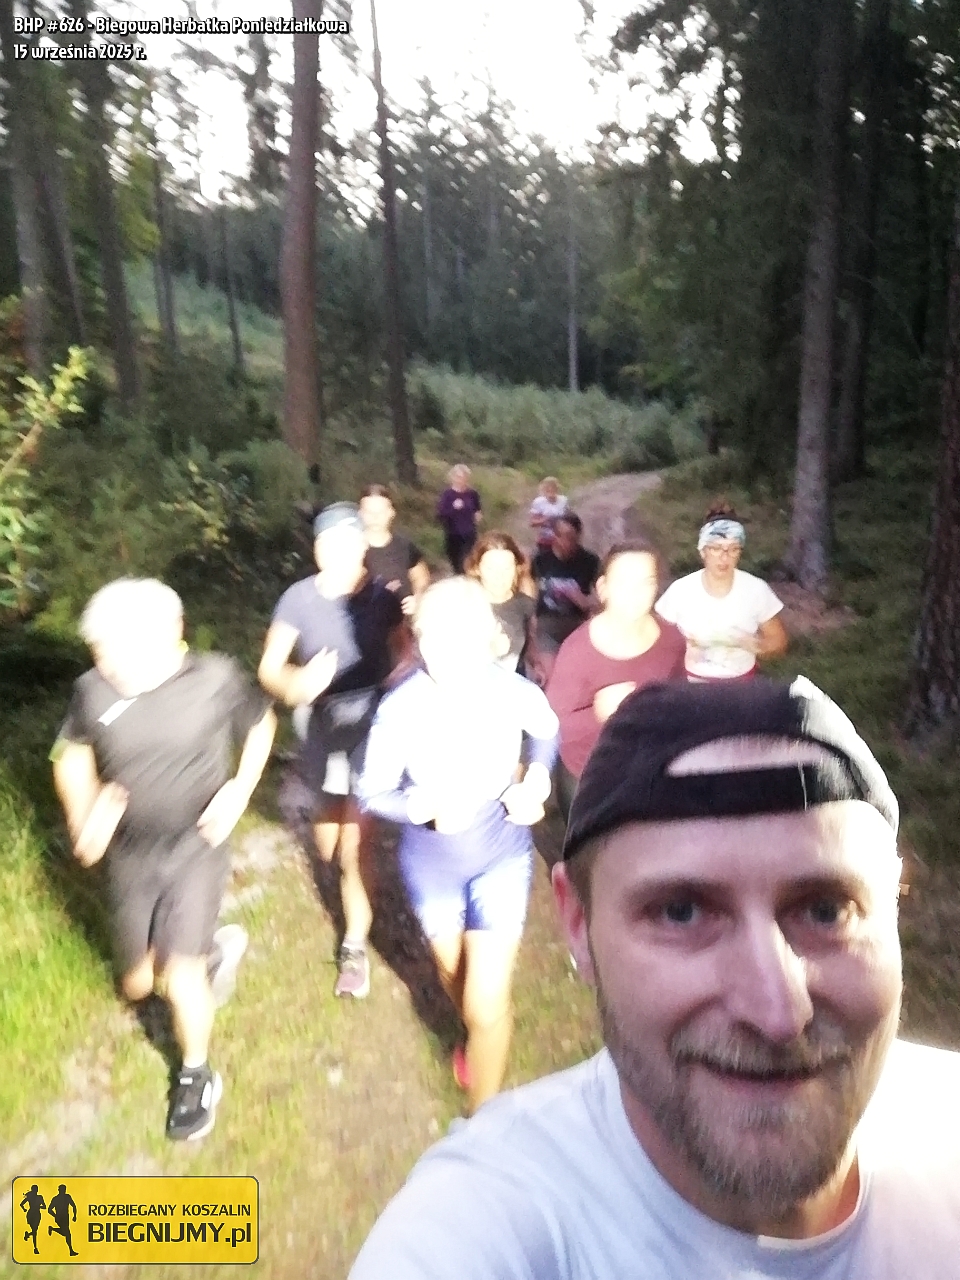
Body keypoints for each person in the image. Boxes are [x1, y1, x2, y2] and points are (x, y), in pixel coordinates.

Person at [349, 676, 960, 1279]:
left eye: (827, 910)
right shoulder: (483, 1221)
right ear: (578, 923)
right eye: (681, 912)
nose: (777, 1012)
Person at [51, 579, 276, 1142]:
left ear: (172, 633)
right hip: (130, 855)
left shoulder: (215, 679)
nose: (109, 665)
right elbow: (69, 753)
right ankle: (211, 953)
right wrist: (83, 816)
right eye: (100, 652)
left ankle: (196, 1075)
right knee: (136, 983)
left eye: (121, 649)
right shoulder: (91, 691)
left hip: (195, 845)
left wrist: (240, 789)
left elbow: (262, 724)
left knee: (179, 974)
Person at [357, 578, 559, 1114]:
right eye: (432, 637)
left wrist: (538, 778)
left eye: (460, 637)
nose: (446, 652)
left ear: (486, 636)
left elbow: (545, 729)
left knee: (485, 1004)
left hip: (500, 855)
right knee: (458, 982)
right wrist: (422, 808)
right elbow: (372, 791)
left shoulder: (511, 689)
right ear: (418, 638)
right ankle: (478, 1036)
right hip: (431, 868)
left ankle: (484, 1122)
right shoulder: (400, 708)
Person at [259, 502, 405, 1000]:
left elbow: (403, 644)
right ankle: (347, 871)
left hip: (372, 725)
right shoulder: (297, 600)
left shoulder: (382, 596)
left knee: (352, 850)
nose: (337, 554)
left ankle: (354, 947)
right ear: (317, 549)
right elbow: (269, 667)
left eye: (347, 544)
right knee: (327, 842)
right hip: (321, 722)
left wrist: (398, 676)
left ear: (363, 546)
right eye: (327, 545)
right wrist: (295, 682)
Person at [546, 538, 687, 826]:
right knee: (587, 847)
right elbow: (551, 724)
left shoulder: (672, 639)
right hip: (588, 775)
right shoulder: (577, 652)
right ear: (603, 588)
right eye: (623, 582)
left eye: (645, 583)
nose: (634, 594)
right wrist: (598, 715)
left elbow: (678, 693)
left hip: (645, 767)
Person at [655, 502, 789, 681]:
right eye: (716, 548)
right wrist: (680, 646)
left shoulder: (756, 589)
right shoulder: (680, 591)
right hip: (691, 685)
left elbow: (779, 641)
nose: (724, 557)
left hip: (742, 684)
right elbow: (655, 640)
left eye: (733, 549)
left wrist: (759, 646)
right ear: (702, 551)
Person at [530, 513, 600, 684]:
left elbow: (603, 601)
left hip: (577, 626)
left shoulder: (590, 561)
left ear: (579, 537)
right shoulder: (540, 560)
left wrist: (584, 601)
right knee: (550, 679)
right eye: (560, 535)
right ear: (553, 535)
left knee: (576, 679)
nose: (565, 542)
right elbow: (529, 594)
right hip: (547, 625)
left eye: (571, 538)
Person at [464, 530, 537, 675]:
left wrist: (537, 664)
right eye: (491, 568)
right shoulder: (462, 606)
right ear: (477, 568)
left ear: (517, 568)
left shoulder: (524, 604)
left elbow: (530, 640)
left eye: (507, 568)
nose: (499, 576)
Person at [359, 482, 431, 617]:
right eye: (369, 512)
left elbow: (421, 577)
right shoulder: (350, 551)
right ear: (360, 513)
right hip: (363, 624)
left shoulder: (405, 546)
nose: (375, 517)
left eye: (381, 512)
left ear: (391, 513)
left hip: (402, 622)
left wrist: (418, 597)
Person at [436, 463, 482, 574]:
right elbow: (440, 515)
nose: (461, 480)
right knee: (456, 563)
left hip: (469, 533)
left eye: (463, 477)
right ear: (452, 478)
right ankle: (458, 576)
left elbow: (477, 508)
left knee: (466, 561)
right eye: (458, 477)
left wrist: (478, 515)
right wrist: (453, 508)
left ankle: (465, 578)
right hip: (453, 534)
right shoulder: (447, 495)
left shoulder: (472, 494)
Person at [528, 476, 569, 551]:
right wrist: (545, 520)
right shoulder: (538, 502)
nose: (550, 489)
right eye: (547, 488)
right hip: (545, 540)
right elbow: (532, 523)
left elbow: (569, 518)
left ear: (557, 488)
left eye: (553, 487)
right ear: (543, 489)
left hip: (562, 539)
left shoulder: (563, 500)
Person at [47, 1185, 78, 1257]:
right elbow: (49, 1209)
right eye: (62, 1189)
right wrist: (55, 1216)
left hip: (66, 1217)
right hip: (59, 1218)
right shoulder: (56, 1199)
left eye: (64, 1189)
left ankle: (53, 1229)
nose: (63, 1191)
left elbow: (73, 1206)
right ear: (59, 1190)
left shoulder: (67, 1197)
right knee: (67, 1234)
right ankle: (71, 1250)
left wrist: (74, 1215)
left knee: (66, 1233)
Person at [20, 1185, 45, 1256]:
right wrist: (24, 1209)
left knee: (34, 1230)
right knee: (34, 1231)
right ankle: (35, 1248)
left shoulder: (39, 1197)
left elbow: (44, 1206)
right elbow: (21, 1204)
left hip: (36, 1214)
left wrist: (38, 1206)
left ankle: (28, 1234)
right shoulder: (30, 1197)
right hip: (32, 1214)